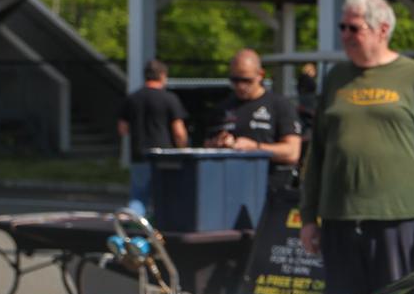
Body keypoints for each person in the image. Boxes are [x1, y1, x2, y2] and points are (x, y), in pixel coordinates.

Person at [298, 0, 414, 294]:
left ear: (382, 30)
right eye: (342, 27)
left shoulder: (413, 76)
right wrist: (307, 217)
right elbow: (317, 152)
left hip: (395, 219)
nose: (345, 35)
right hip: (338, 218)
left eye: (354, 28)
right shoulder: (336, 77)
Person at [205, 48, 304, 175]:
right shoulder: (222, 108)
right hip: (228, 182)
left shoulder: (279, 105)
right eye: (235, 80)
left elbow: (292, 152)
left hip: (268, 185)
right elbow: (205, 146)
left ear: (260, 75)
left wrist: (254, 148)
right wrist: (218, 144)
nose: (240, 86)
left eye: (246, 80)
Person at [117, 58, 188, 215]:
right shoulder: (169, 99)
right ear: (162, 75)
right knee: (165, 197)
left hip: (139, 154)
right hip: (164, 156)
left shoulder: (132, 98)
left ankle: (133, 227)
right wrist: (182, 149)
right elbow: (179, 131)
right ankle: (163, 228)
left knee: (139, 198)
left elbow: (122, 129)